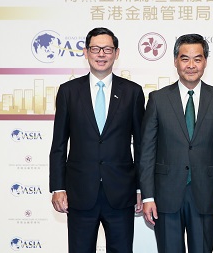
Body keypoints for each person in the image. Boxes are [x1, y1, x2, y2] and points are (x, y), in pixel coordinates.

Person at [49, 27, 145, 253]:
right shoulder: (68, 92)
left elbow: (141, 145)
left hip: (121, 192)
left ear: (117, 53)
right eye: (95, 48)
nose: (101, 54)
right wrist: (58, 187)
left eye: (107, 49)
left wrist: (142, 188)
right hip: (80, 192)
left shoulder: (133, 92)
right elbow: (59, 144)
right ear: (86, 52)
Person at [139, 33, 213, 253]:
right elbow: (147, 151)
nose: (191, 65)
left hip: (205, 194)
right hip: (165, 196)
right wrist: (147, 196)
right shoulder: (158, 99)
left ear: (205, 62)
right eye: (185, 59)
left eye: (197, 59)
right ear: (175, 61)